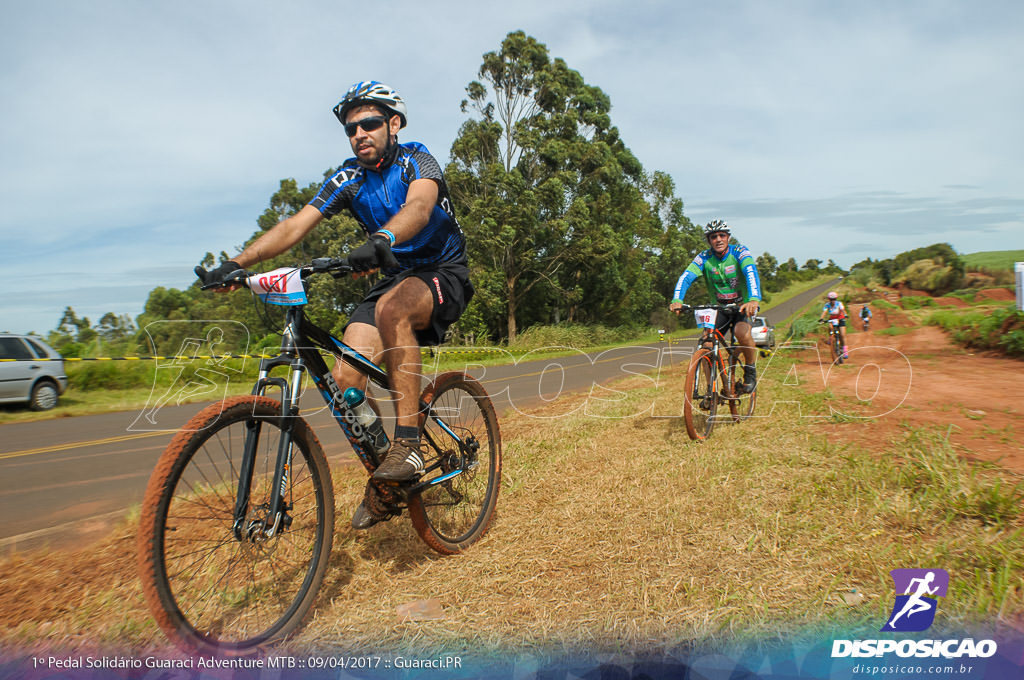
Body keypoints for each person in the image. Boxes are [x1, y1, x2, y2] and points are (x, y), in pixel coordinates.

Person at [196, 81, 473, 530]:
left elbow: (420, 206)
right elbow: (295, 224)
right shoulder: (348, 178)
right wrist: (235, 263)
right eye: (351, 129)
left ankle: (409, 445)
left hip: (443, 271)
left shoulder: (416, 159)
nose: (359, 133)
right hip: (395, 276)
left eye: (369, 123)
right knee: (346, 378)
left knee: (391, 311)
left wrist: (383, 237)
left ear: (394, 124)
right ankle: (390, 480)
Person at [668, 220, 763, 394]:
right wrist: (677, 299)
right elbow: (686, 277)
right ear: (708, 240)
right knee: (706, 343)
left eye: (722, 235)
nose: (718, 239)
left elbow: (750, 271)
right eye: (713, 237)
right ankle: (710, 390)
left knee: (742, 333)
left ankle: (750, 370)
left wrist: (754, 299)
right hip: (720, 308)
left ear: (728, 237)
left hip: (743, 306)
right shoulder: (703, 257)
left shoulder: (740, 252)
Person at [820, 292, 848, 358]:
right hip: (832, 319)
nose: (832, 301)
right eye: (831, 299)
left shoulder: (839, 303)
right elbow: (824, 312)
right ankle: (831, 338)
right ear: (829, 299)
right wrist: (821, 318)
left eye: (834, 299)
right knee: (830, 327)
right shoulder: (827, 305)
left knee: (842, 335)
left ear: (836, 299)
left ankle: (845, 351)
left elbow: (842, 309)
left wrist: (845, 315)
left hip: (840, 318)